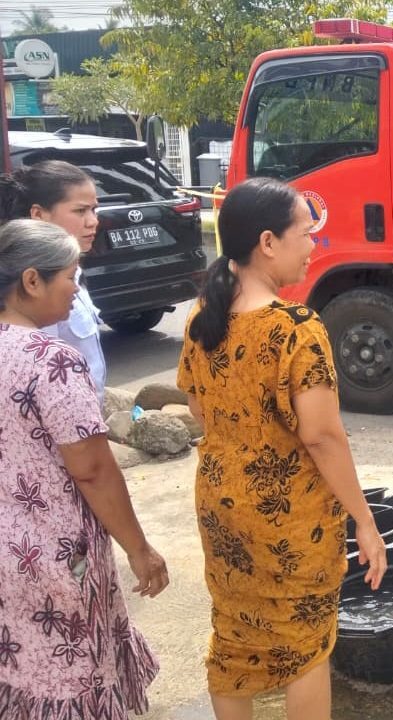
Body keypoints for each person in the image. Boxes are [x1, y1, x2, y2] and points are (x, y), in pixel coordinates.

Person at [177, 177, 387, 719]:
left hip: (221, 501)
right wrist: (363, 519)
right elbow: (321, 436)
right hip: (290, 515)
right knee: (305, 647)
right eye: (305, 233)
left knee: (235, 638)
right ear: (268, 243)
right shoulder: (296, 329)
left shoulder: (204, 319)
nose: (313, 245)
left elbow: (199, 406)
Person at [0, 218, 167, 718]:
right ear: (32, 281)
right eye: (72, 277)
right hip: (55, 554)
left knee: (22, 674)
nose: (77, 291)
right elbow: (93, 470)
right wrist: (140, 549)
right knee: (73, 680)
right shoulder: (52, 362)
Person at [0, 161, 106, 408]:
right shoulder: (37, 288)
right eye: (80, 211)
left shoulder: (73, 274)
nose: (92, 222)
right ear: (38, 215)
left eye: (94, 210)